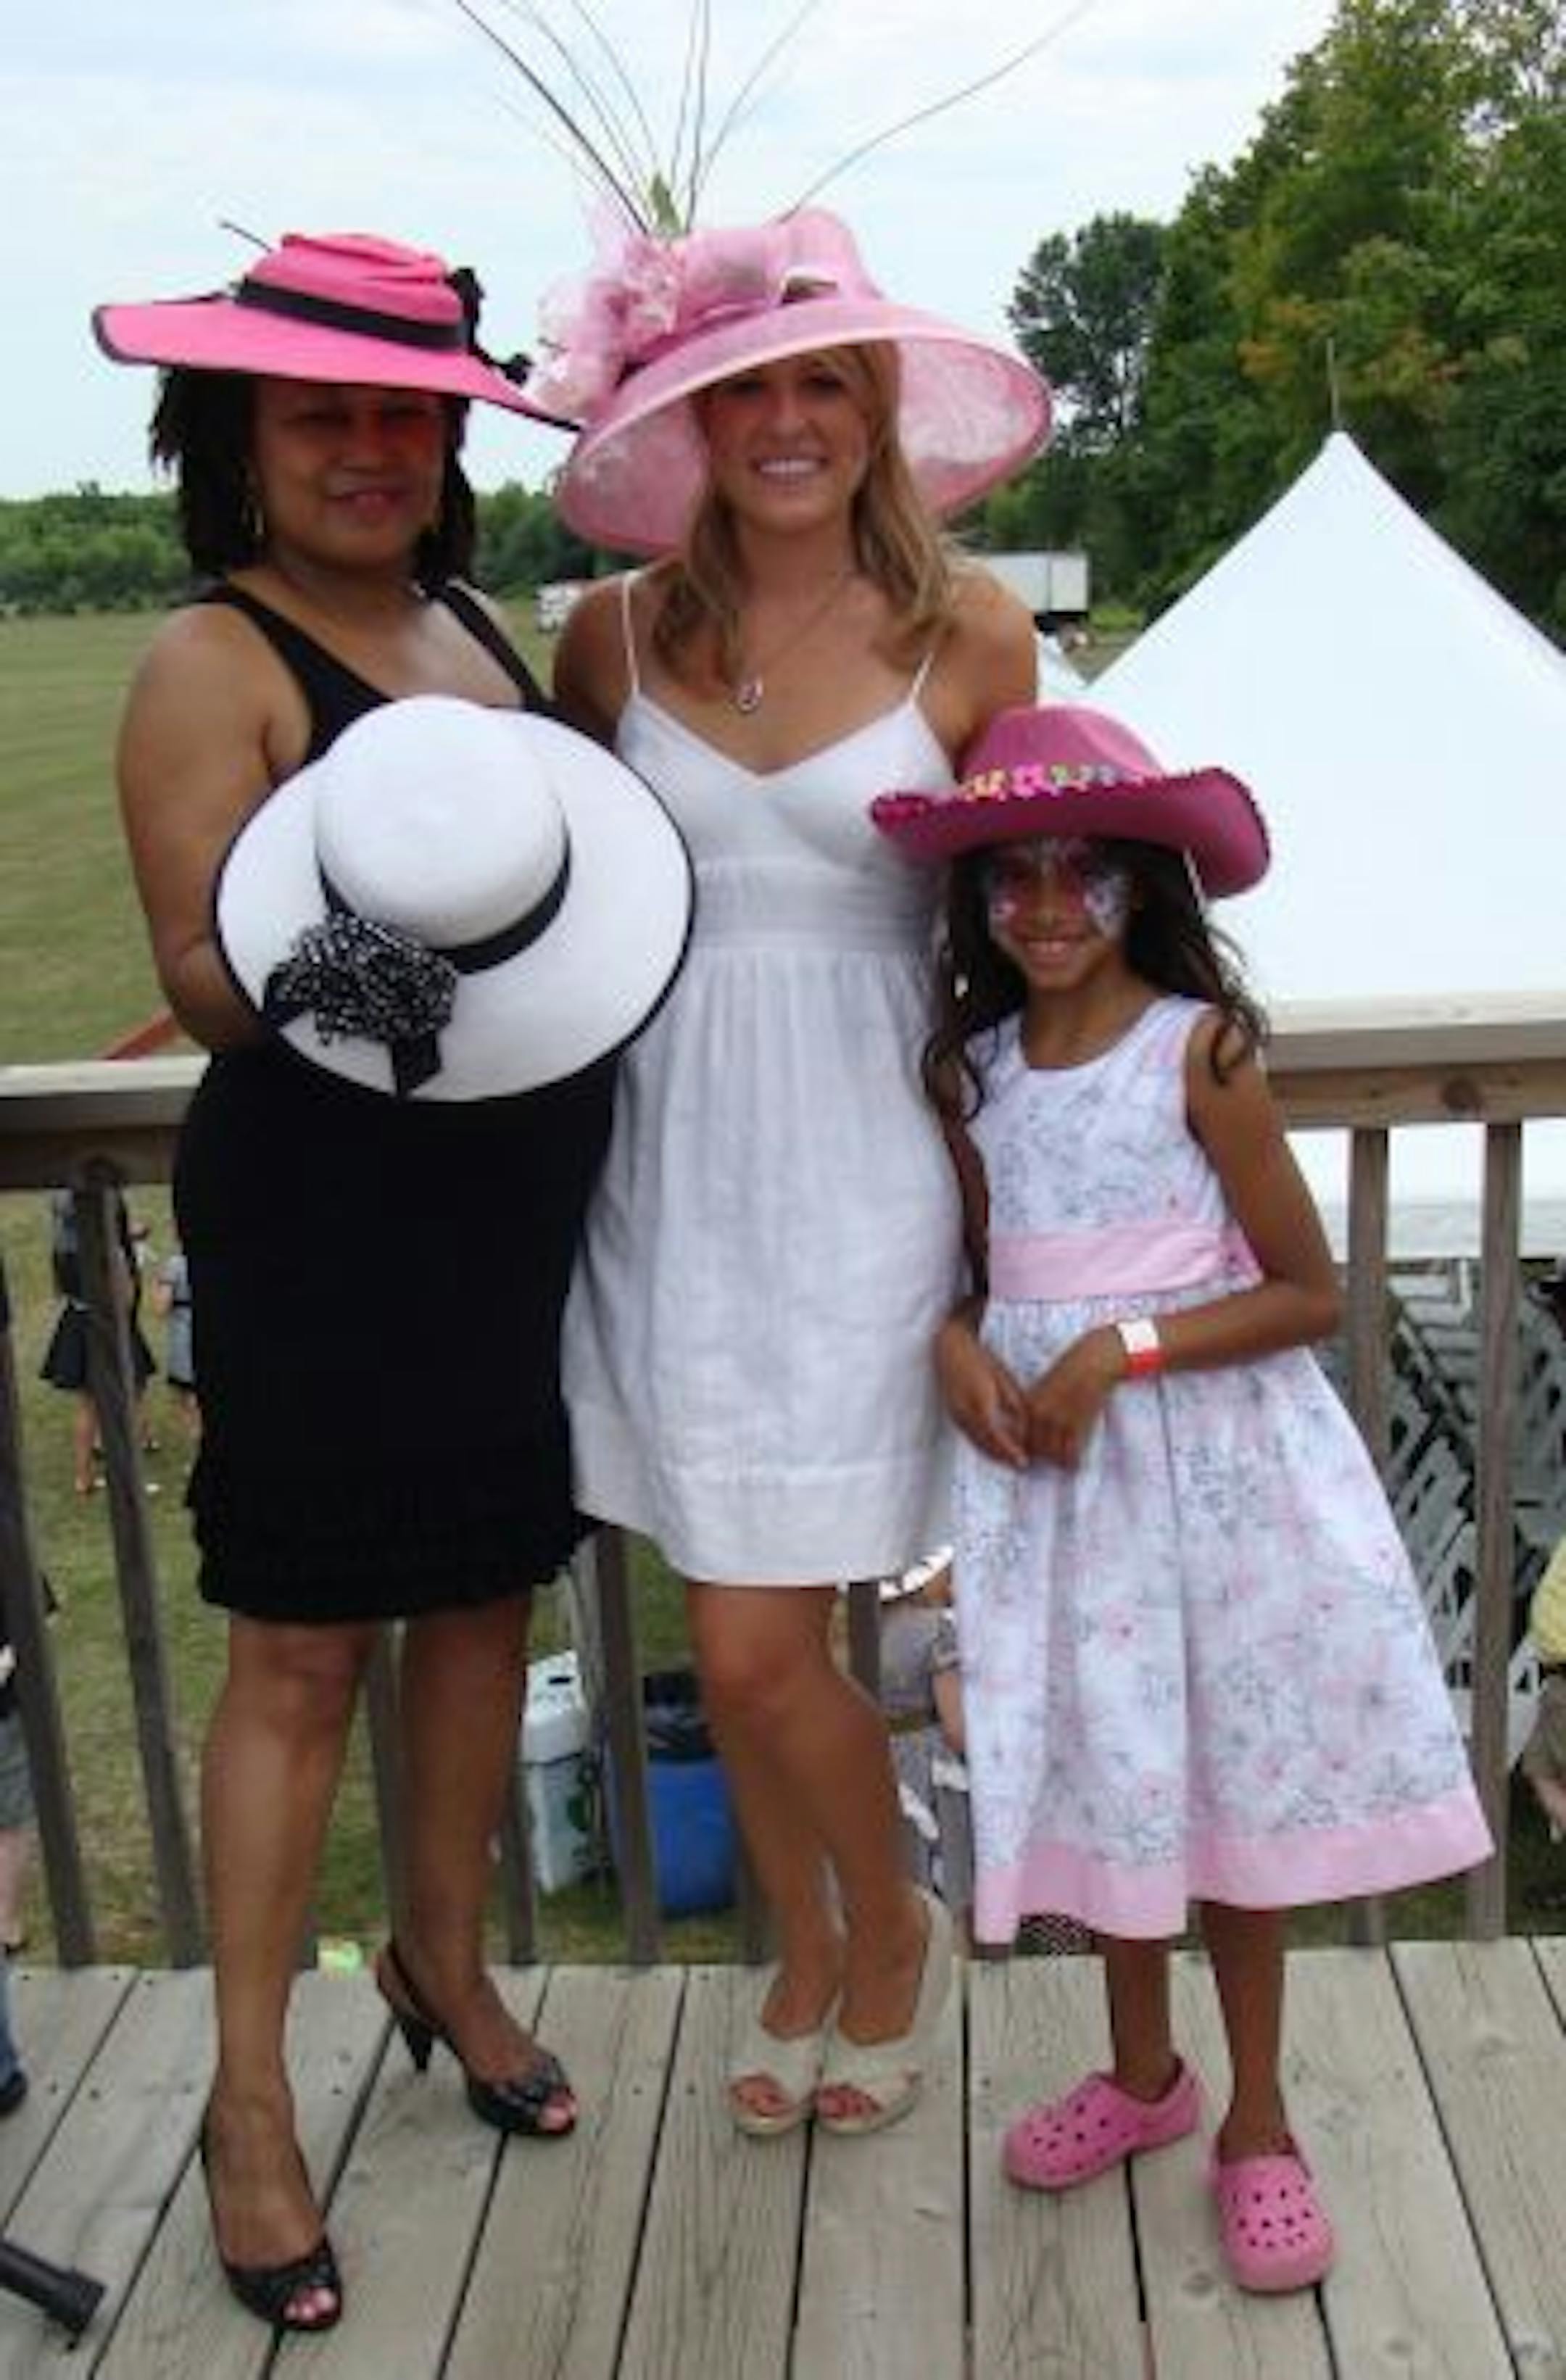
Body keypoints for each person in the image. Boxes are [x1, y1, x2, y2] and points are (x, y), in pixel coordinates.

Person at [94, 229, 691, 2333]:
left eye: (400, 415)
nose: (366, 449)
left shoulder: (465, 618)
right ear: (241, 436)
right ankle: (250, 2104)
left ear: (449, 443)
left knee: (478, 1604)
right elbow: (194, 962)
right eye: (319, 413)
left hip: (506, 1202)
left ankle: (448, 1955)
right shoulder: (216, 656)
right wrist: (343, 976)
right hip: (333, 1217)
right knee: (298, 1659)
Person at [871, 702, 1493, 2291]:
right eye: (1013, 877)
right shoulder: (977, 1072)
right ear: (977, 900)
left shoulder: (1195, 1053)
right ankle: (1147, 2080)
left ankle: (1261, 2119)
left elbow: (1306, 1290)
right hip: (1057, 1499)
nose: (1050, 906)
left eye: (1087, 873)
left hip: (1209, 1486)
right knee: (1112, 1776)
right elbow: (974, 1274)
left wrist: (1121, 1347)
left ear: (1147, 886)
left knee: (1217, 1796)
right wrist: (955, 1346)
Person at [547, 206, 1049, 2135]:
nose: (784, 418)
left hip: (868, 1172)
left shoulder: (973, 631)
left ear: (876, 406)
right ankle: (809, 1946)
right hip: (667, 1169)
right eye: (737, 384)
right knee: (725, 1622)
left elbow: (1056, 913)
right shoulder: (610, 639)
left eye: (820, 380)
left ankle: (893, 1923)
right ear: (683, 420)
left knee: (767, 1640)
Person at [38, 1187, 157, 1494]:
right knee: (122, 1401)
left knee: (87, 1406)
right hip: (108, 1328)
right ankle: (128, 1477)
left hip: (77, 1320)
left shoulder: (63, 1247)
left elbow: (61, 1290)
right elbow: (126, 1299)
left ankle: (84, 1478)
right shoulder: (110, 1251)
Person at [152, 1235, 200, 1449]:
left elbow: (161, 1308)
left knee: (188, 1400)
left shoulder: (176, 1265)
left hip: (185, 1339)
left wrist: (158, 1284)